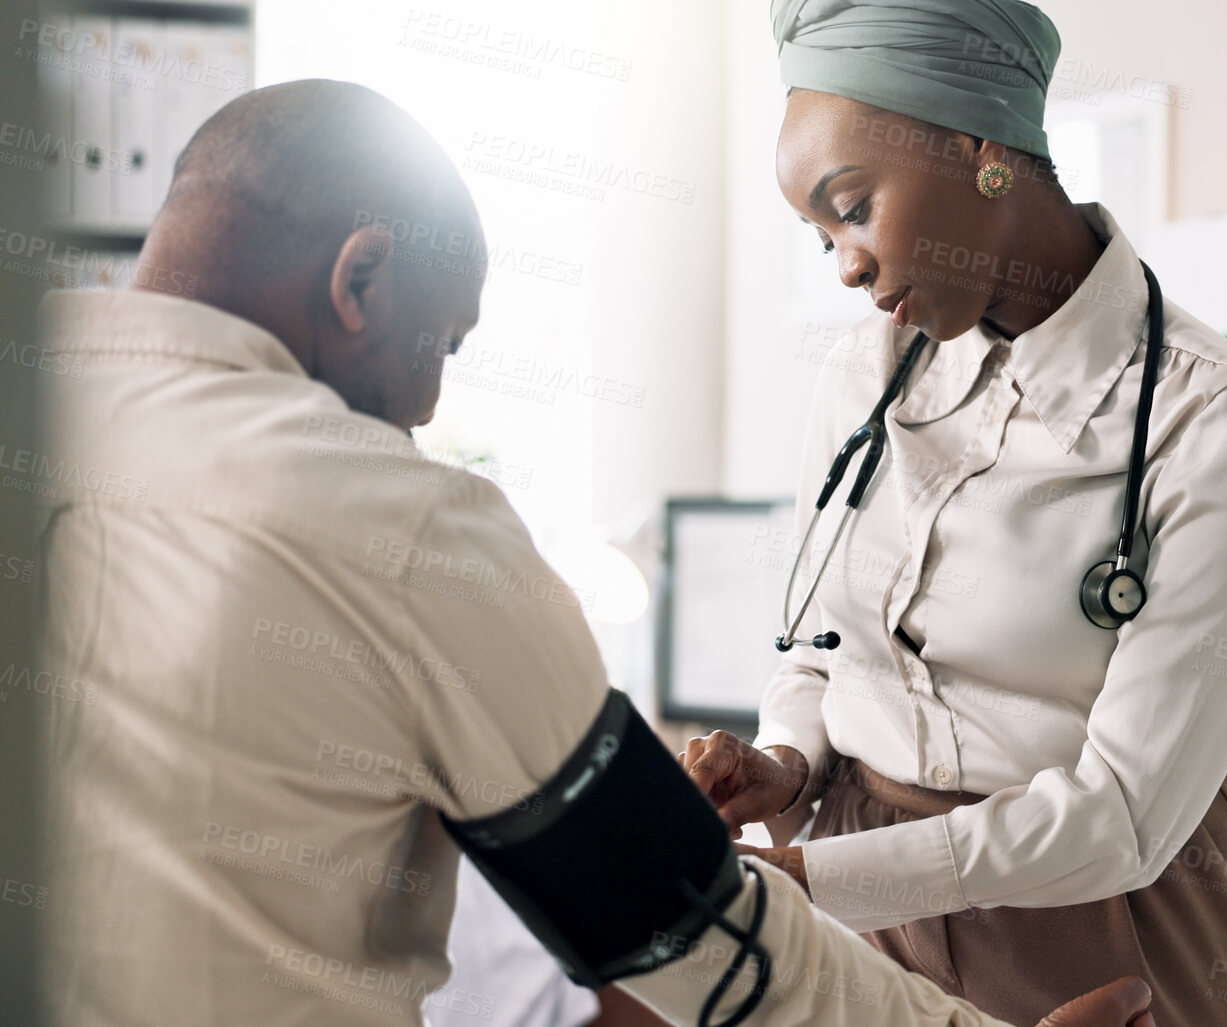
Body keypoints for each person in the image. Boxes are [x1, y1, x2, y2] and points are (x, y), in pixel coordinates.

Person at [30, 78, 1154, 1027]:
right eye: (447, 344)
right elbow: (694, 933)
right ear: (360, 281)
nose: (426, 410)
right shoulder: (395, 520)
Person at [680, 2, 1227, 1025]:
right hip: (854, 916)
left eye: (855, 207)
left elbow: (1125, 818)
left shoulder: (1218, 420)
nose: (845, 263)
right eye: (820, 233)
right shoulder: (858, 380)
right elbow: (816, 644)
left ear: (983, 152)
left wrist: (812, 880)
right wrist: (786, 761)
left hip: (1105, 927)